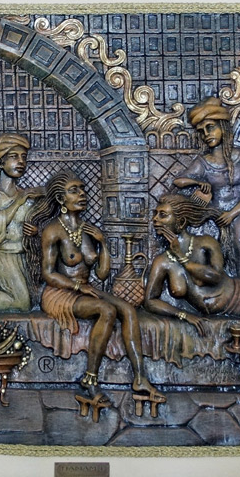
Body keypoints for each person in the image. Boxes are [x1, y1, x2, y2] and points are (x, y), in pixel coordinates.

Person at [25, 171, 163, 401]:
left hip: (86, 288)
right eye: (74, 190)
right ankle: (90, 379)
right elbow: (48, 274)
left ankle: (140, 378)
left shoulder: (88, 230)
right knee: (106, 310)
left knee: (128, 310)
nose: (82, 194)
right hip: (60, 292)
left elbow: (101, 273)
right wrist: (77, 287)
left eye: (82, 189)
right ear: (60, 199)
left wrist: (102, 243)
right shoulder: (53, 231)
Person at [143, 194, 240, 335]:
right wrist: (184, 315)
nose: (155, 219)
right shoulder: (162, 261)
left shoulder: (206, 243)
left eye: (162, 215)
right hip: (221, 314)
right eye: (155, 214)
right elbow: (150, 301)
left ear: (181, 222)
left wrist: (182, 258)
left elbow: (215, 277)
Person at [173, 97, 240, 276]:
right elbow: (179, 181)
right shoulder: (204, 161)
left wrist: (231, 214)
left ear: (223, 127)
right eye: (202, 131)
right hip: (215, 216)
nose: (207, 134)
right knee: (205, 252)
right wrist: (198, 182)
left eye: (210, 127)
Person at [0, 133, 42, 311]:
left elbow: (38, 224)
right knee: (22, 304)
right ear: (0, 162)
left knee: (38, 300)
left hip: (26, 257)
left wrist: (36, 232)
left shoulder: (27, 196)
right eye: (14, 156)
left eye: (24, 157)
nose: (21, 162)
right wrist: (17, 202)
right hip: (4, 258)